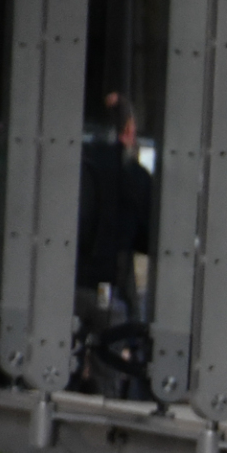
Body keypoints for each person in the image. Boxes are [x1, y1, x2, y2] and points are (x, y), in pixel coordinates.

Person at [74, 93, 152, 324]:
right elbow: (148, 240)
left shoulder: (73, 166)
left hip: (66, 287)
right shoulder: (135, 176)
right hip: (109, 295)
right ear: (128, 129)